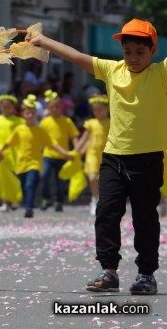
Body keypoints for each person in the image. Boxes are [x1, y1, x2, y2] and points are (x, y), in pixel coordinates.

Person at [28, 18, 163, 295]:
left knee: (145, 218)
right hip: (114, 157)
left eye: (140, 52)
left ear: (153, 51)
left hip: (147, 159)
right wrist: (42, 41)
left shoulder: (160, 74)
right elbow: (76, 56)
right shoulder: (111, 70)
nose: (133, 58)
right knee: (106, 213)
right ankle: (109, 271)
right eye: (128, 52)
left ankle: (146, 274)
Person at [0, 95, 73, 218]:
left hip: (34, 163)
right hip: (21, 163)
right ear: (23, 115)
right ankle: (28, 203)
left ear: (35, 114)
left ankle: (29, 208)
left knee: (29, 184)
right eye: (27, 113)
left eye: (32, 113)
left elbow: (53, 143)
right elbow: (8, 142)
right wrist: (0, 152)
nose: (30, 116)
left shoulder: (40, 130)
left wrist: (65, 153)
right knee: (24, 186)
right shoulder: (19, 129)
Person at [39, 90, 79, 212]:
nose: (55, 109)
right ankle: (46, 198)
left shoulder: (67, 121)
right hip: (48, 155)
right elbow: (40, 138)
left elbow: (74, 137)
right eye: (52, 107)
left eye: (57, 107)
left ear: (61, 107)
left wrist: (76, 151)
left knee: (60, 181)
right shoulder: (45, 122)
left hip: (63, 156)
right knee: (44, 175)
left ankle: (59, 201)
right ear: (48, 108)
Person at [74, 94, 110, 216]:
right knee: (92, 177)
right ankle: (95, 199)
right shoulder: (91, 123)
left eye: (100, 109)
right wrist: (75, 152)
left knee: (103, 179)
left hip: (106, 154)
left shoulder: (111, 122)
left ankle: (103, 200)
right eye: (95, 110)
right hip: (92, 153)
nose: (97, 112)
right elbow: (84, 139)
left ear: (107, 108)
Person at [0, 94, 25, 212]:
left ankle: (15, 199)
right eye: (4, 107)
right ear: (0, 106)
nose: (6, 109)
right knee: (3, 179)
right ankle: (5, 201)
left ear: (13, 107)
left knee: (14, 177)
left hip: (14, 151)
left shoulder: (19, 121)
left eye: (9, 107)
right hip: (0, 152)